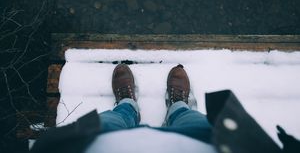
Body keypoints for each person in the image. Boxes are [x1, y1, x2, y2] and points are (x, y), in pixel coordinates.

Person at [31, 64, 300, 153]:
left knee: (112, 121)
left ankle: (128, 107)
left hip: (104, 146)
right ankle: (177, 106)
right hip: (204, 144)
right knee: (192, 121)